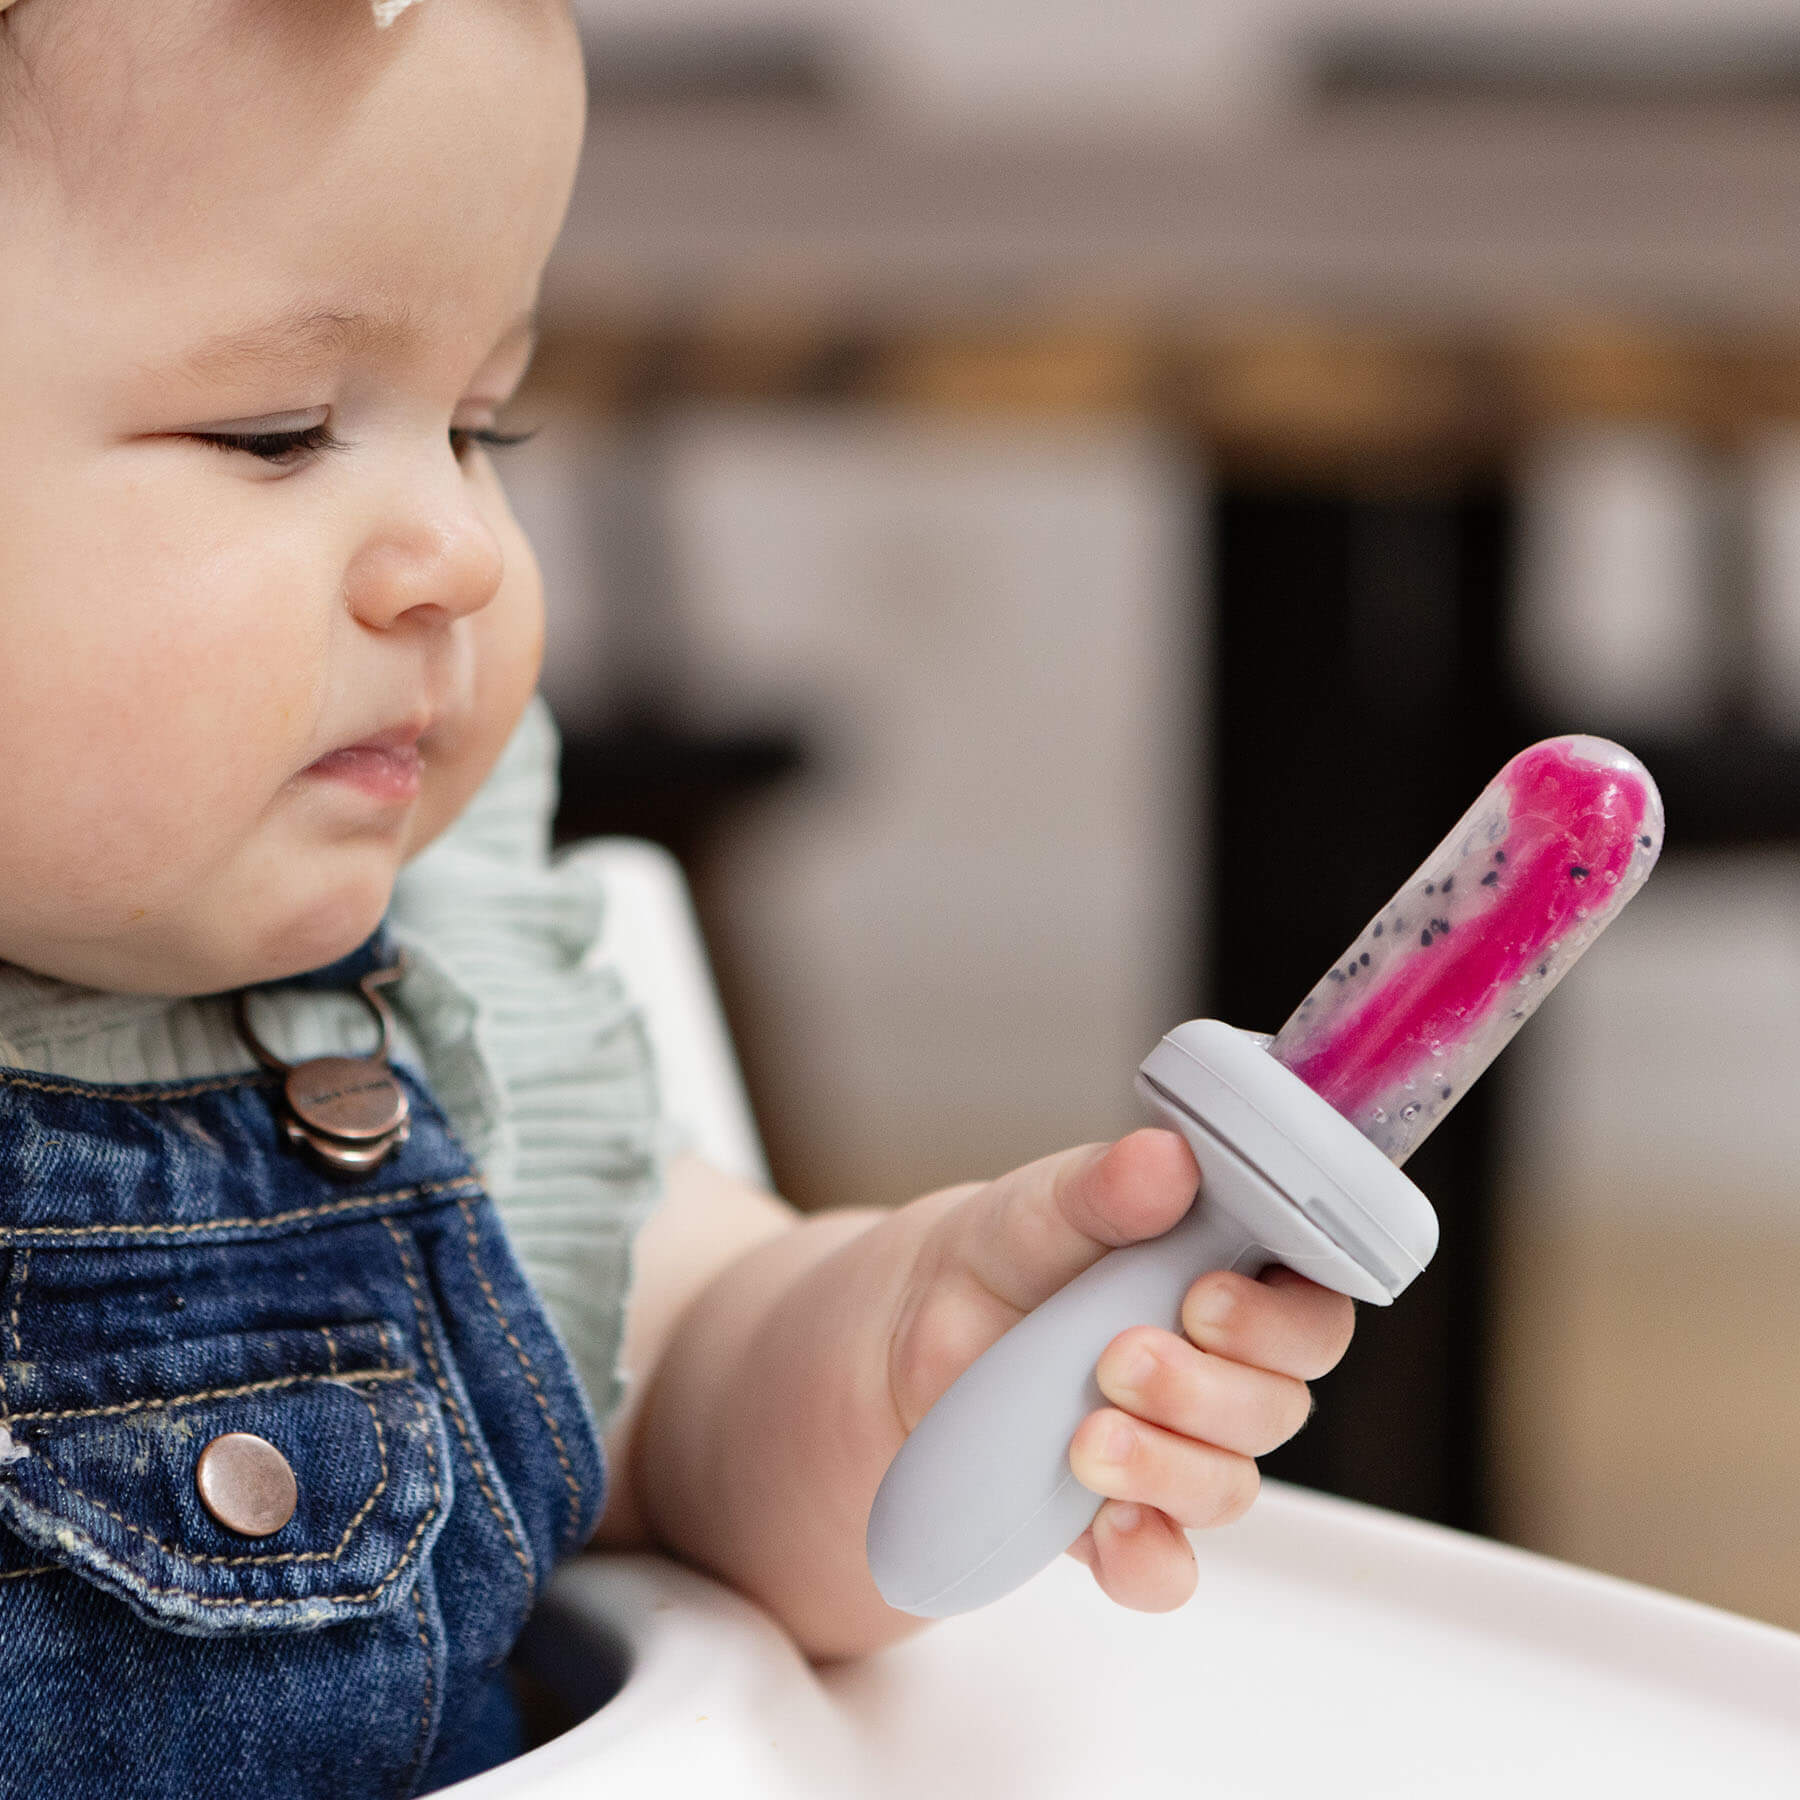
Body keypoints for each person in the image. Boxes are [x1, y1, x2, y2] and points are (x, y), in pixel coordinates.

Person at [0, 2, 1356, 1794]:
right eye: (276, 431)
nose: (463, 552)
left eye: (484, 426)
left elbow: (688, 1384)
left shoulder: (431, 1011)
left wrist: (903, 1353)